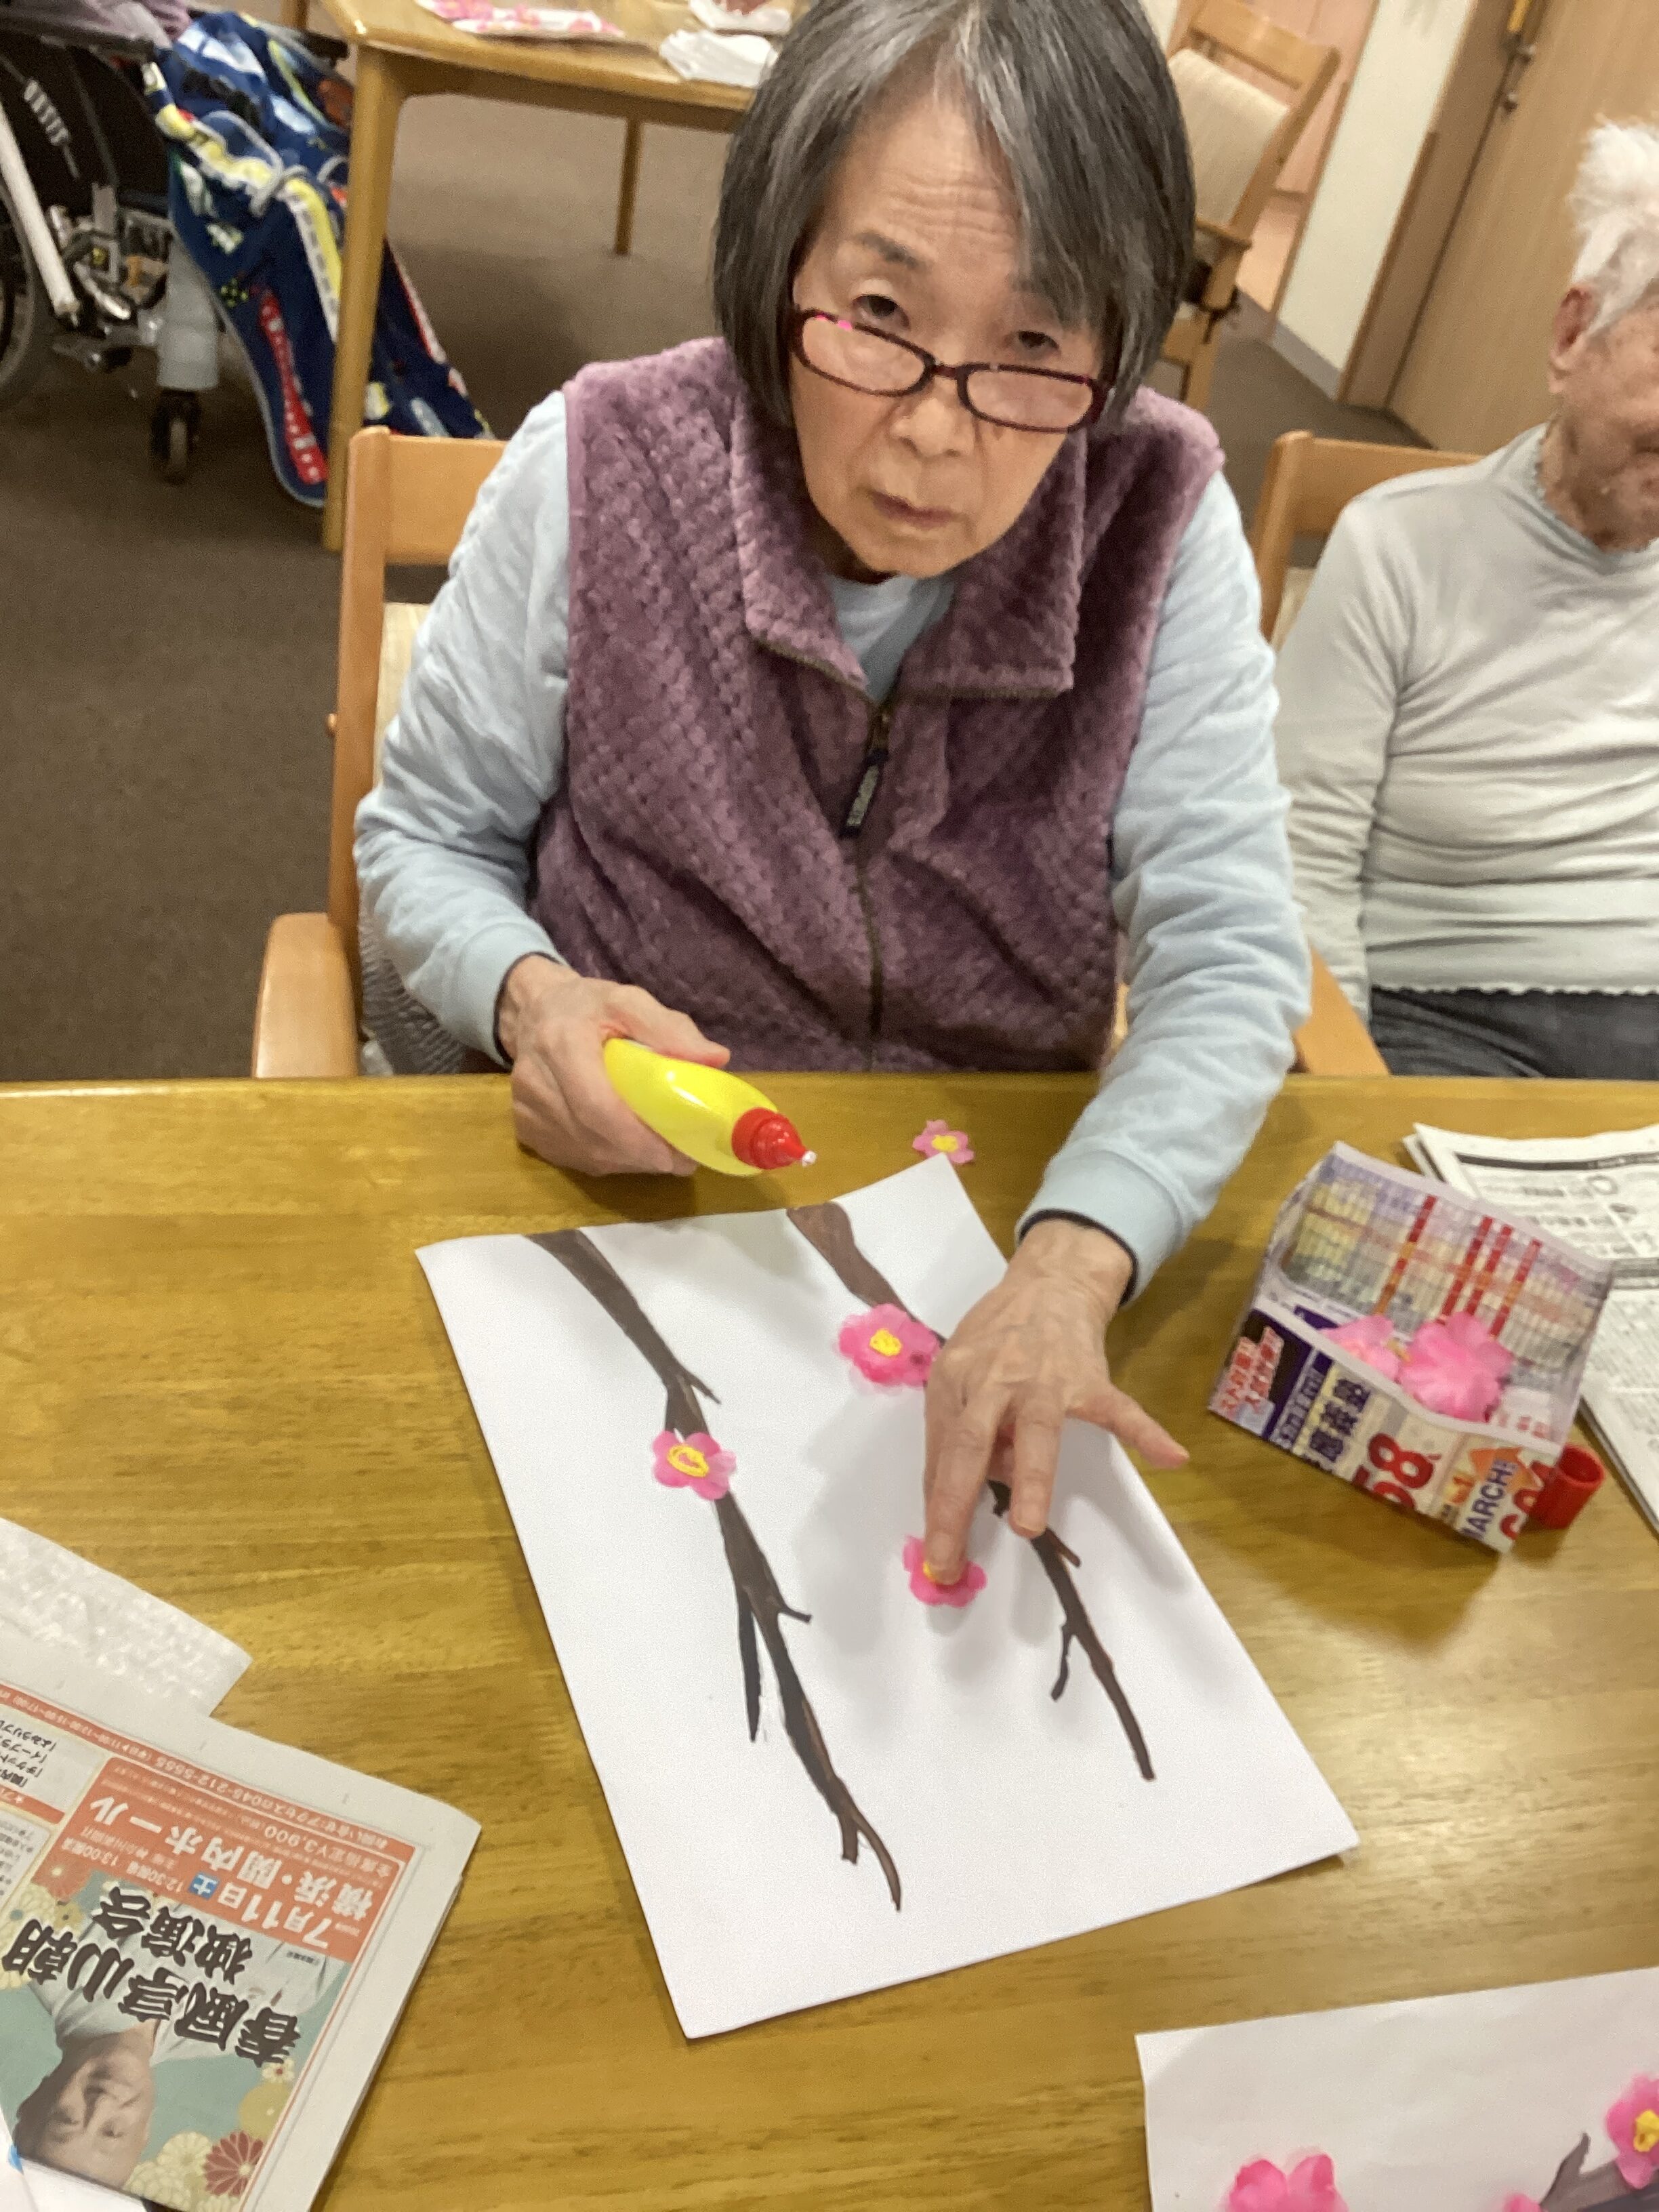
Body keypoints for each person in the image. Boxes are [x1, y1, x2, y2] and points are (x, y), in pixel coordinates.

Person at [356, 0, 1309, 1586]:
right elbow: (427, 840)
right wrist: (530, 999)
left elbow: (1230, 960)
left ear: (1120, 344)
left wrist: (1072, 1267)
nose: (938, 435)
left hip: (993, 1234)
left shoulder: (1159, 518)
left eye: (1035, 345)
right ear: (777, 260)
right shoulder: (603, 462)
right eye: (879, 312)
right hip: (639, 1206)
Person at [1277, 120, 1659, 1080]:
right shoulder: (1399, 547)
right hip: (1444, 1023)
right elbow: (1299, 859)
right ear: (1575, 334)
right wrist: (1354, 1091)